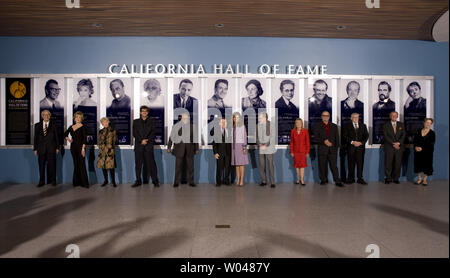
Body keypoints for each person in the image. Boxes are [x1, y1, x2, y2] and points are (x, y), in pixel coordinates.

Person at [167, 113, 199, 187]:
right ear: (181, 118)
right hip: (179, 149)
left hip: (190, 149)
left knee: (191, 167)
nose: (185, 119)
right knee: (178, 167)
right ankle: (176, 182)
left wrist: (196, 148)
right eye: (184, 118)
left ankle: (191, 182)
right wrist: (169, 147)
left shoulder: (192, 127)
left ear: (188, 118)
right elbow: (171, 138)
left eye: (186, 118)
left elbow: (195, 139)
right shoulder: (176, 126)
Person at [314, 111, 343, 187]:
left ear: (329, 117)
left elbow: (337, 138)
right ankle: (323, 180)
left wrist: (336, 148)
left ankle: (337, 181)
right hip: (322, 149)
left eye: (327, 116)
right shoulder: (317, 126)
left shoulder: (334, 126)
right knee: (322, 166)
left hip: (332, 150)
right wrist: (324, 141)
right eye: (324, 115)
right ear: (321, 116)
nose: (325, 117)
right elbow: (315, 138)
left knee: (334, 166)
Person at [132, 106, 159, 187]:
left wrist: (146, 140)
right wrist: (141, 141)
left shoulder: (152, 121)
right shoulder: (135, 122)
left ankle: (155, 181)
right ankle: (138, 181)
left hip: (148, 146)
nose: (144, 112)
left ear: (147, 112)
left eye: (145, 111)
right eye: (142, 111)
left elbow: (153, 133)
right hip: (139, 146)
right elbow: (134, 133)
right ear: (140, 112)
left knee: (151, 164)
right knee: (138, 165)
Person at [33, 110, 59, 187]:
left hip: (51, 148)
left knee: (52, 165)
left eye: (47, 115)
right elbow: (35, 138)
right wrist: (35, 149)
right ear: (42, 116)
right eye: (44, 115)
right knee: (41, 166)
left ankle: (53, 180)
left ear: (49, 116)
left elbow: (56, 137)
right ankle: (41, 181)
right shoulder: (37, 125)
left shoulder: (54, 125)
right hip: (41, 149)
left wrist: (57, 147)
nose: (46, 116)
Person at [64, 111, 89, 188]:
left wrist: (83, 149)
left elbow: (85, 139)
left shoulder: (83, 126)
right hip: (73, 147)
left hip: (80, 147)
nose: (78, 119)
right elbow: (65, 134)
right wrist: (69, 140)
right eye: (76, 117)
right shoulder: (71, 127)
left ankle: (84, 183)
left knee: (82, 164)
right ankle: (76, 182)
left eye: (79, 117)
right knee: (76, 164)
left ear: (81, 119)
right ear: (74, 118)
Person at [342, 113, 369, 185]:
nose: (356, 119)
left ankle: (360, 178)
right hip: (351, 148)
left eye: (357, 117)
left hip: (360, 148)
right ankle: (351, 178)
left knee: (360, 164)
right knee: (351, 163)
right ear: (351, 118)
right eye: (354, 117)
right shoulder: (346, 126)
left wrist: (361, 143)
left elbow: (366, 136)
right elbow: (344, 136)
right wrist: (352, 142)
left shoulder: (363, 126)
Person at [382, 111, 405, 184]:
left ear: (397, 116)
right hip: (389, 147)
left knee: (398, 163)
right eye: (392, 115)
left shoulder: (401, 124)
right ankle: (388, 178)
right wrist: (393, 143)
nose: (394, 117)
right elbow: (385, 136)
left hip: (399, 147)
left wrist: (398, 143)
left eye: (395, 115)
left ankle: (396, 178)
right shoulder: (386, 125)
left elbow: (403, 135)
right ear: (390, 116)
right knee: (388, 163)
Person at [275, 79, 299, 144]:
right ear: (281, 91)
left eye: (291, 90)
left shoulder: (293, 107)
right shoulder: (277, 105)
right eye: (287, 90)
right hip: (281, 140)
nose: (290, 93)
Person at [308, 79, 332, 143]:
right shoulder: (307, 102)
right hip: (312, 136)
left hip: (327, 137)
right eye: (318, 90)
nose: (321, 93)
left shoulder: (332, 102)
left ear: (326, 90)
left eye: (323, 90)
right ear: (314, 90)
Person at [413, 118, 435, 186]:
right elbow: (415, 141)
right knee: (418, 165)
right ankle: (420, 179)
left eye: (429, 123)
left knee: (427, 166)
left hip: (427, 152)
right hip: (418, 152)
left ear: (431, 124)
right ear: (424, 123)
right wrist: (416, 147)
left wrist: (422, 148)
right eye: (427, 122)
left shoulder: (432, 133)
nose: (428, 124)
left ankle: (425, 180)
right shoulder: (418, 131)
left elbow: (431, 143)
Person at [256, 112, 276, 187]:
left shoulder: (271, 125)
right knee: (262, 165)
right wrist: (260, 144)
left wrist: (266, 144)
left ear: (265, 118)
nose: (259, 119)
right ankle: (264, 180)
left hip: (269, 147)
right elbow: (256, 137)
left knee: (270, 165)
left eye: (260, 117)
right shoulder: (257, 125)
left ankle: (272, 182)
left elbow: (273, 136)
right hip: (261, 147)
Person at [97, 117, 117, 187]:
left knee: (111, 167)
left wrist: (111, 148)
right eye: (103, 122)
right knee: (103, 166)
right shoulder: (100, 131)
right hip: (102, 150)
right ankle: (106, 180)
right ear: (102, 124)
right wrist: (101, 148)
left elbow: (114, 140)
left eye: (106, 122)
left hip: (110, 150)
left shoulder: (112, 130)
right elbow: (100, 141)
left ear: (108, 122)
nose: (105, 123)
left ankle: (113, 181)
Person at [290, 118, 310, 186]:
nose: (298, 124)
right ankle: (298, 179)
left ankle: (302, 179)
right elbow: (292, 142)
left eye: (299, 123)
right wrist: (292, 151)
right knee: (297, 166)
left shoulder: (305, 131)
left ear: (302, 124)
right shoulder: (293, 131)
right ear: (295, 124)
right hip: (295, 151)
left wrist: (307, 152)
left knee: (302, 166)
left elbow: (307, 142)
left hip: (303, 152)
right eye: (297, 123)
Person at [212, 117, 232, 186]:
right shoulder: (216, 131)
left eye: (224, 122)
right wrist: (215, 153)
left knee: (227, 168)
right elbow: (214, 144)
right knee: (219, 168)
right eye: (222, 122)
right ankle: (218, 182)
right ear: (220, 123)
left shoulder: (229, 131)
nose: (223, 123)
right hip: (219, 152)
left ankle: (226, 180)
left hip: (228, 152)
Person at [231, 112, 248, 187]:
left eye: (237, 117)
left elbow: (244, 137)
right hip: (234, 147)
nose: (235, 119)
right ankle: (237, 179)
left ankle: (241, 180)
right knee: (237, 164)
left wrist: (244, 147)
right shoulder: (233, 126)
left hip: (240, 147)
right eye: (234, 117)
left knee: (241, 164)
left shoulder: (242, 126)